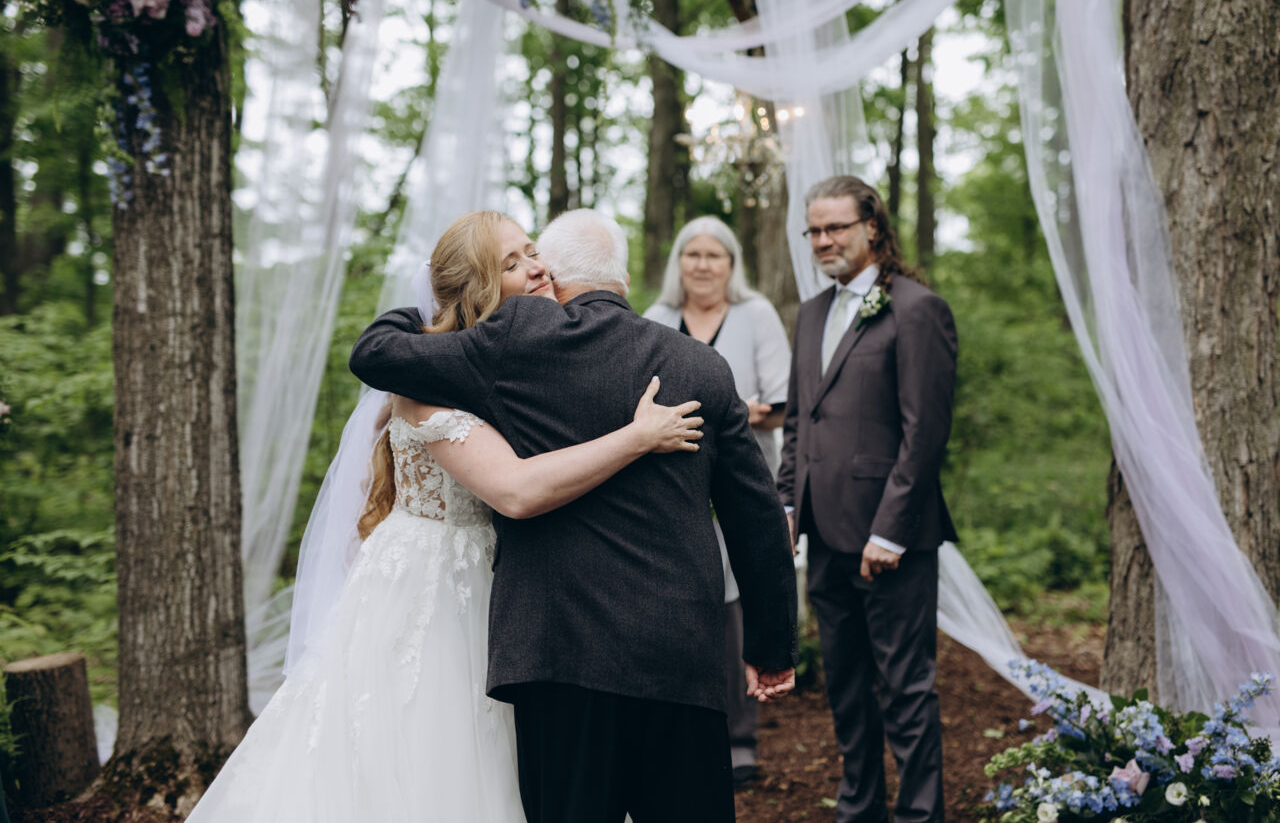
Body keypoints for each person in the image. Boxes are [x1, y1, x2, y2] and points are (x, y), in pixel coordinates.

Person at [185, 211, 705, 823]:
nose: (537, 267)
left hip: (501, 585)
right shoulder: (427, 375)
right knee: (426, 751)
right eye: (511, 264)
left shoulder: (531, 358)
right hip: (430, 585)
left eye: (532, 250)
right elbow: (514, 491)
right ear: (480, 288)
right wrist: (637, 438)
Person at [349, 208, 799, 823]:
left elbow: (376, 354)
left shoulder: (514, 343)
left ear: (554, 279)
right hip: (677, 654)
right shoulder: (701, 366)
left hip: (556, 653)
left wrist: (423, 309)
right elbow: (758, 519)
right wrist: (771, 646)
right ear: (624, 279)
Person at [778, 176, 957, 823]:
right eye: (815, 230)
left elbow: (924, 433)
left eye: (837, 228)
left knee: (906, 689)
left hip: (891, 540)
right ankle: (860, 808)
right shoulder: (810, 314)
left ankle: (920, 813)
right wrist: (786, 506)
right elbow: (799, 424)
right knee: (847, 688)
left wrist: (890, 531)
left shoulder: (916, 308)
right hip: (823, 536)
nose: (823, 240)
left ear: (872, 227)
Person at [643, 215, 791, 786]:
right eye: (692, 254)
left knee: (738, 601)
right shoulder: (656, 318)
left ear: (732, 264)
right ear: (677, 263)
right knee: (679, 597)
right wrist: (727, 405)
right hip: (671, 480)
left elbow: (779, 405)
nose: (702, 265)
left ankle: (741, 738)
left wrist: (735, 412)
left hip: (741, 474)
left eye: (714, 255)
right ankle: (679, 726)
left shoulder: (755, 315)